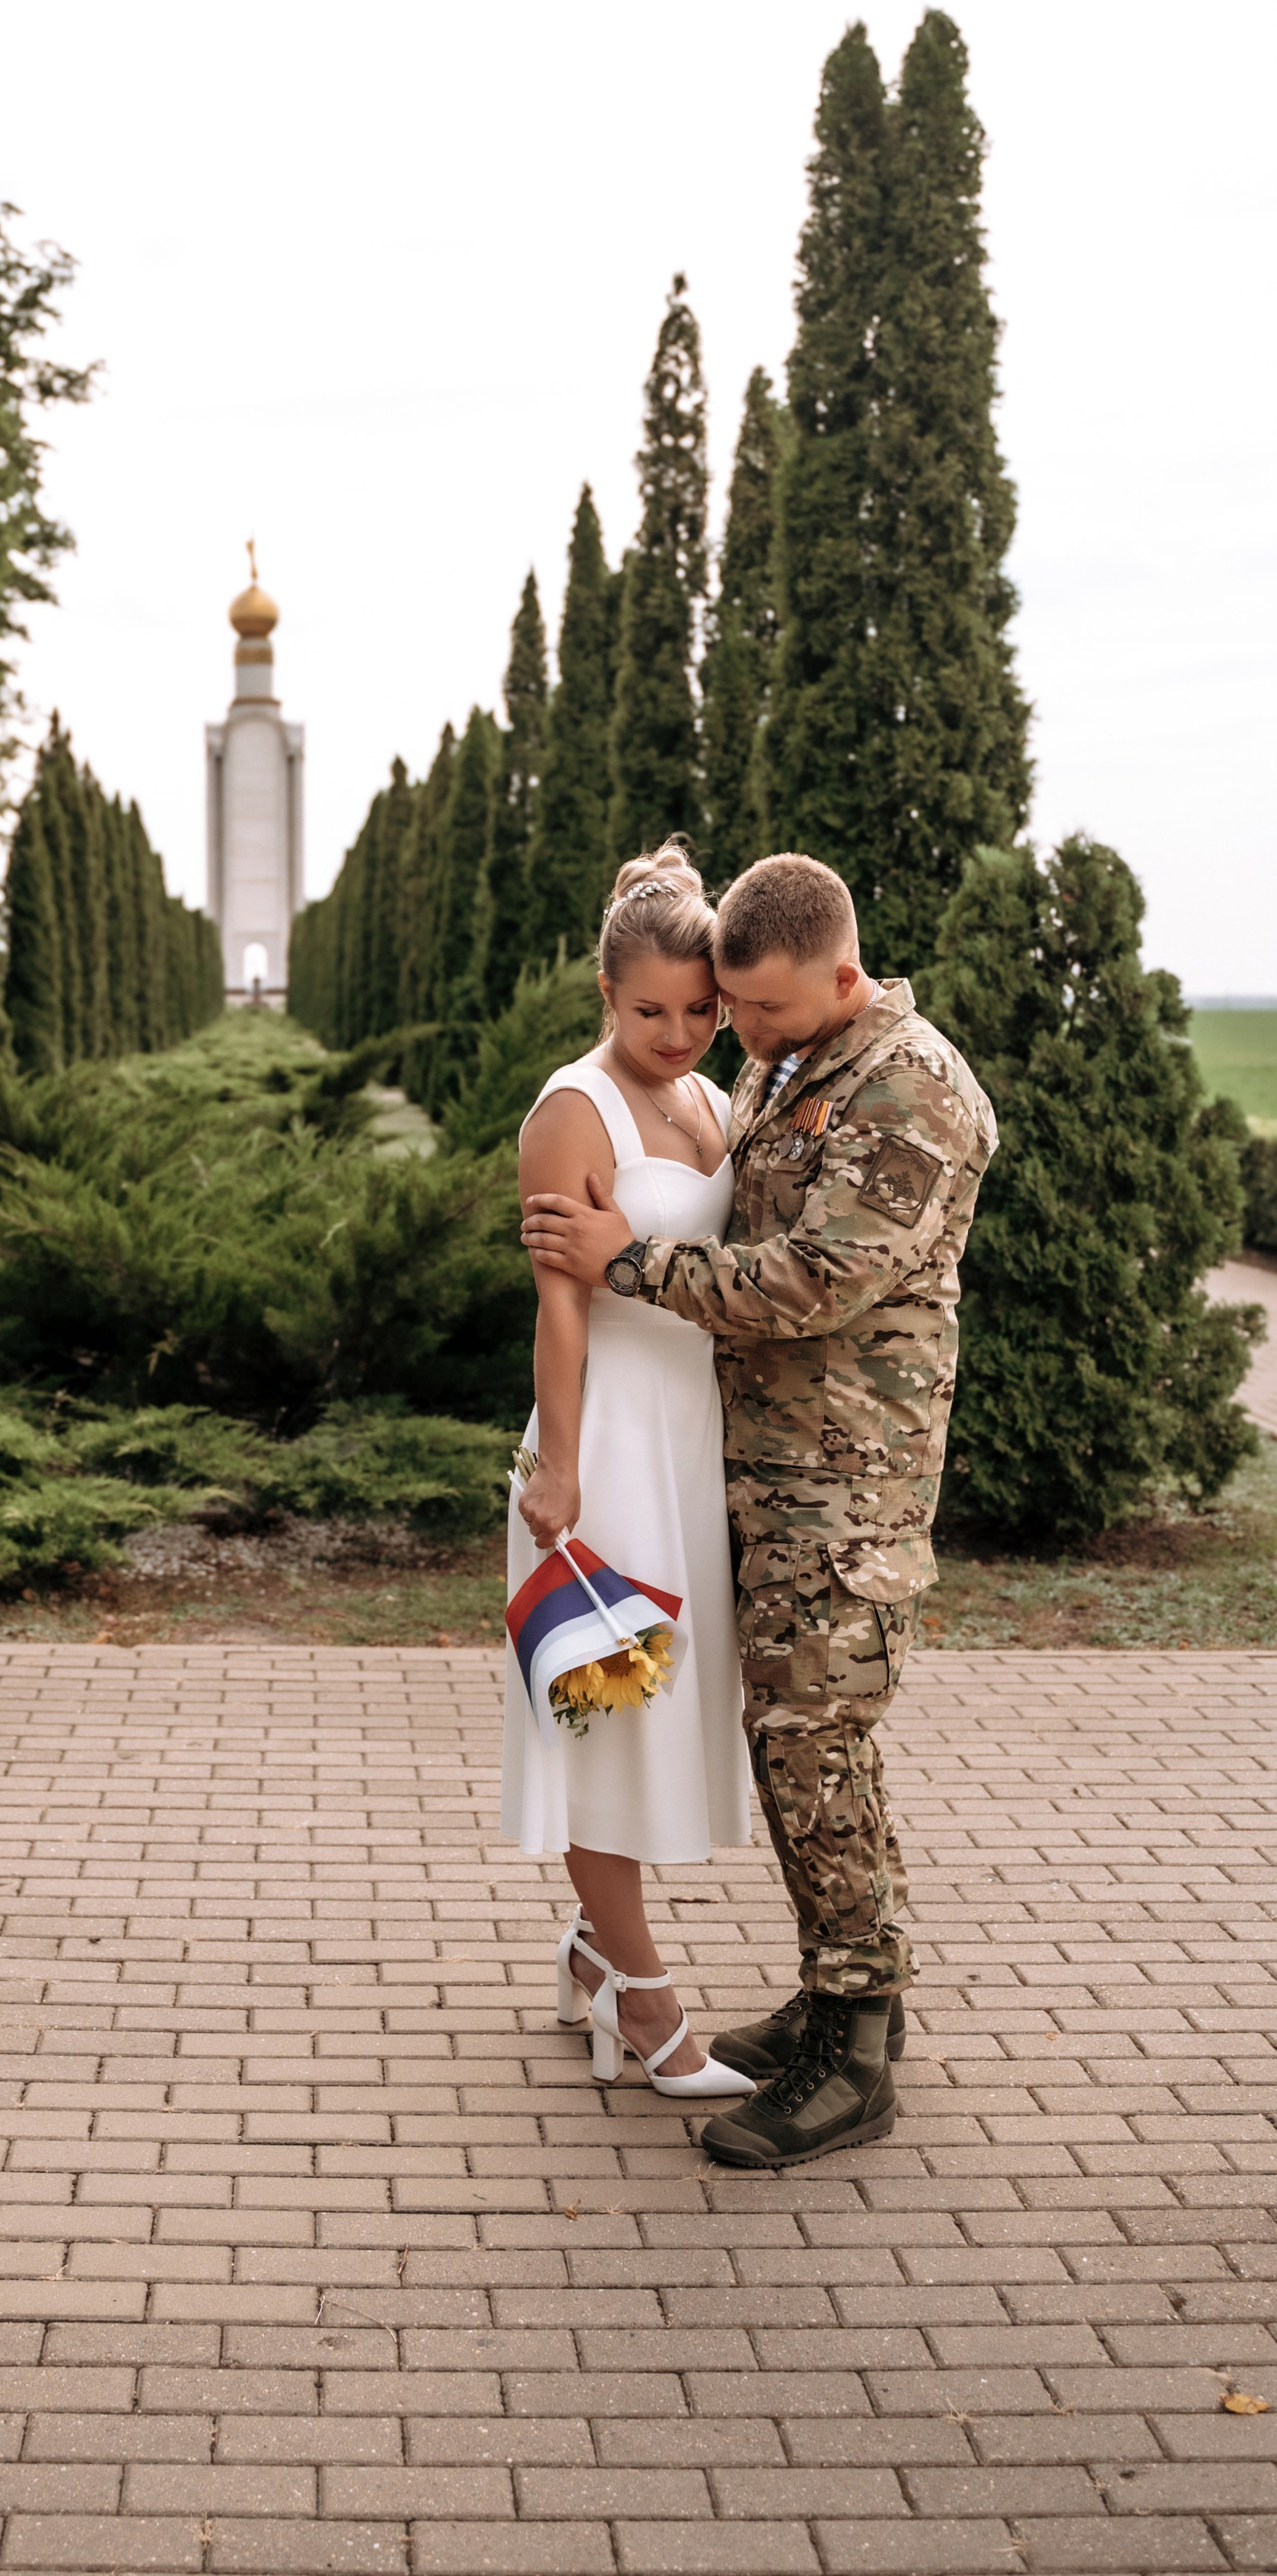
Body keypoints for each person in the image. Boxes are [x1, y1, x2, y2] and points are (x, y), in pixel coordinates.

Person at [521, 852, 996, 2167]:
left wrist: (637, 1259)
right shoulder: (796, 1060)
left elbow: (828, 1275)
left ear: (844, 975)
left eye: (763, 1016)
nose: (741, 1042)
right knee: (790, 1749)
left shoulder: (911, 1086)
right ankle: (834, 2000)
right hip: (750, 1466)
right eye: (735, 1016)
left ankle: (858, 2055)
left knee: (819, 1750)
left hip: (849, 1484)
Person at [505, 844, 754, 2101]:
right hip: (602, 1450)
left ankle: (595, 1964)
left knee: (664, 1718)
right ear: (607, 993)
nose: (678, 1033)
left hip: (688, 1443)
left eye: (701, 1010)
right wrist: (557, 1471)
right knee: (610, 1725)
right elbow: (561, 1307)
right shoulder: (572, 1110)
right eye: (650, 1009)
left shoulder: (715, 1104)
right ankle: (649, 2007)